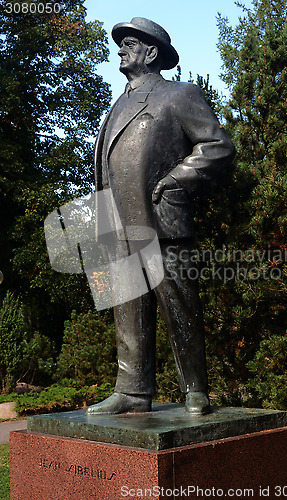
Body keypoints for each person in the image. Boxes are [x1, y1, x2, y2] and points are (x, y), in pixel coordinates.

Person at [87, 17, 235, 416]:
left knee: (179, 305)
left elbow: (218, 147)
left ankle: (195, 389)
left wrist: (175, 180)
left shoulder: (177, 95)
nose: (120, 49)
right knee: (128, 306)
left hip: (160, 220)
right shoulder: (119, 103)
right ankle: (133, 389)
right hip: (117, 223)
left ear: (150, 53)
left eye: (130, 43)